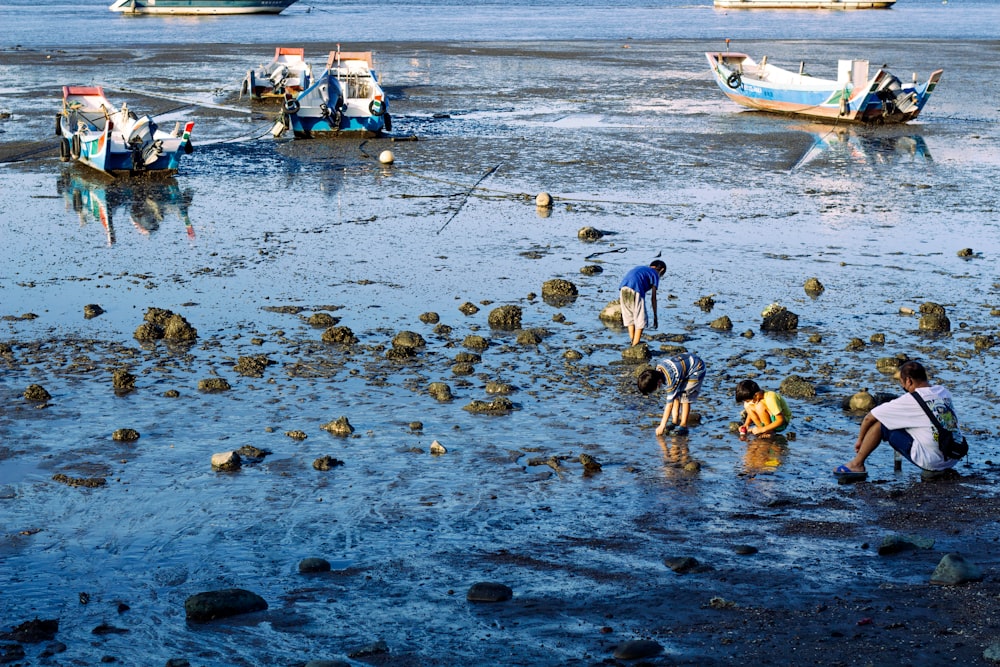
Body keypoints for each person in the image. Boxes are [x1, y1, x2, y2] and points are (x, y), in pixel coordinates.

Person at [834, 360, 963, 478]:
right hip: (953, 455)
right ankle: (898, 466)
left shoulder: (910, 400)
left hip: (933, 461)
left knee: (881, 424)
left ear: (908, 381)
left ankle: (857, 464)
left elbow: (869, 418)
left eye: (902, 383)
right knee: (901, 420)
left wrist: (860, 440)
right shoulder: (942, 391)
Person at [637, 353, 706, 436]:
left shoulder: (670, 380)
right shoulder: (659, 369)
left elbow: (669, 405)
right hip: (685, 363)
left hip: (696, 368)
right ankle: (675, 421)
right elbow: (673, 397)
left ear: (658, 383)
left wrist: (662, 425)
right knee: (675, 395)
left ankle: (683, 425)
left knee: (685, 398)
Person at [619, 260, 667, 347]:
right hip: (636, 289)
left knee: (630, 316)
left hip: (623, 288)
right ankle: (635, 344)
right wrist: (655, 316)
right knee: (641, 319)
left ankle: (632, 340)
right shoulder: (655, 274)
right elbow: (653, 298)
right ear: (662, 270)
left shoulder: (642, 269)